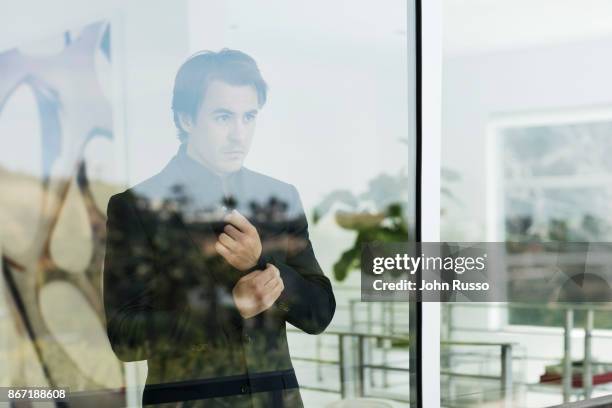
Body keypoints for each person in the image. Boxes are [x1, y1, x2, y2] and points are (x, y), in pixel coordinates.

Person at [103, 49, 336, 407]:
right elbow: (126, 339)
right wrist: (230, 307)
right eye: (223, 117)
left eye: (249, 117)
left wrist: (259, 261)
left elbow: (319, 313)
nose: (239, 135)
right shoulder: (135, 208)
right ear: (186, 119)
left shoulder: (279, 197)